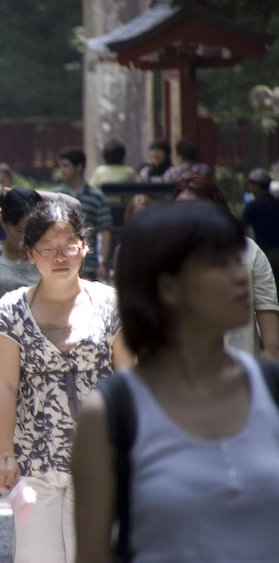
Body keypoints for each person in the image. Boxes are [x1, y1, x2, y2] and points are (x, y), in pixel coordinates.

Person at [73, 201, 279, 563]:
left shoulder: (272, 389)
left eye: (237, 259)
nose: (238, 274)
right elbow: (93, 554)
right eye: (219, 263)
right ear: (168, 287)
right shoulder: (112, 413)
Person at [0, 199, 133, 563]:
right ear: (29, 253)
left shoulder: (110, 303)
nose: (60, 257)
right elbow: (5, 386)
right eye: (47, 249)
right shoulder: (12, 308)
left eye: (69, 246)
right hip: (34, 457)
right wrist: (4, 454)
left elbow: (130, 379)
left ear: (84, 245)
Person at [0, 189, 81, 397]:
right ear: (5, 224)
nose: (26, 237)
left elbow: (74, 206)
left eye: (33, 229)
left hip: (47, 350)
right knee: (7, 425)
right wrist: (0, 213)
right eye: (19, 229)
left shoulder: (45, 252)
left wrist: (32, 195)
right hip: (0, 351)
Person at [173, 174, 279, 359]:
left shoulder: (249, 252)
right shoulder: (163, 253)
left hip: (237, 371)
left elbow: (267, 309)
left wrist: (270, 358)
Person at [53, 147, 114, 281]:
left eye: (66, 166)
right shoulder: (54, 196)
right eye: (61, 166)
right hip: (60, 262)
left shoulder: (96, 196)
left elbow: (106, 230)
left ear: (79, 167)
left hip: (89, 265)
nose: (62, 170)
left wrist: (103, 264)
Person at [242, 167, 279, 278]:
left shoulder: (253, 206)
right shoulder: (276, 203)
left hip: (265, 253)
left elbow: (241, 228)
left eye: (251, 184)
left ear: (256, 185)